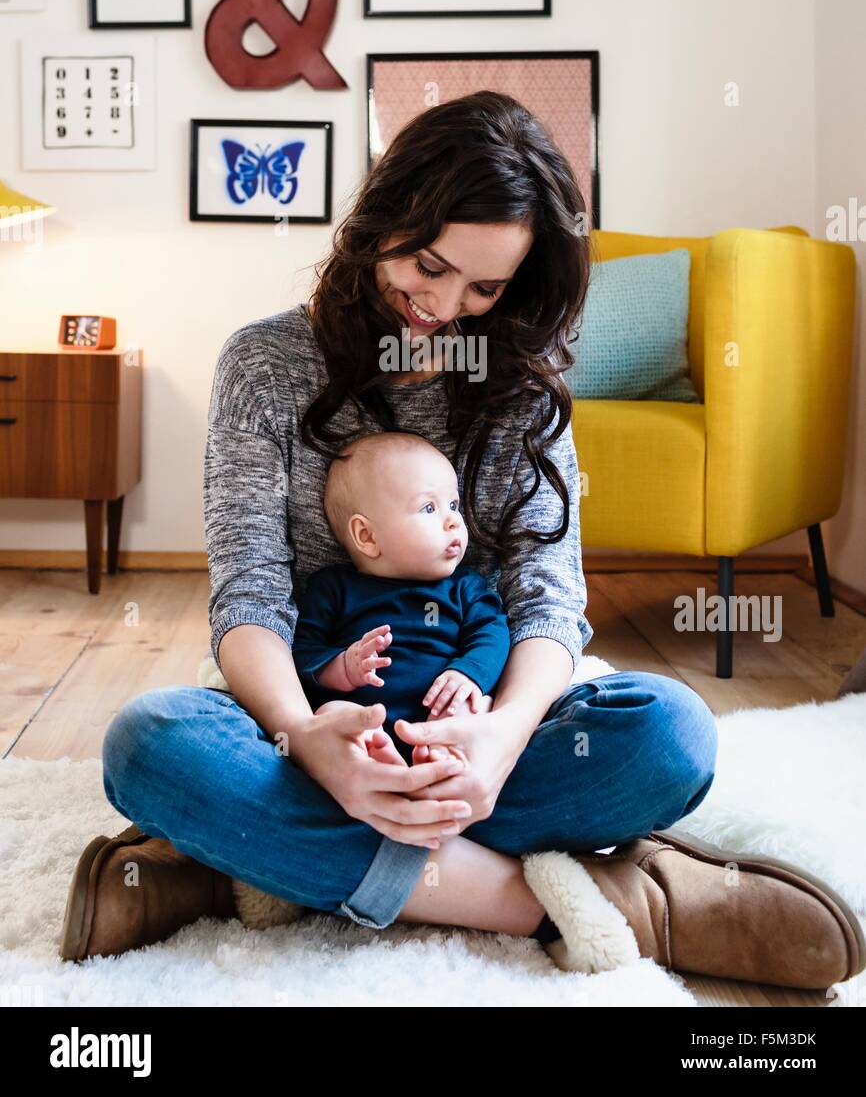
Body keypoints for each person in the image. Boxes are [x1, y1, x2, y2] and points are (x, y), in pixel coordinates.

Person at [60, 92, 864, 990]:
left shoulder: (521, 380)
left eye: (484, 288)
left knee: (671, 736)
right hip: (315, 720)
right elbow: (250, 594)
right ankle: (602, 905)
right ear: (382, 221)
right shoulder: (264, 365)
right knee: (150, 742)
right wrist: (303, 735)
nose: (442, 307)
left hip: (473, 727)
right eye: (428, 266)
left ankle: (237, 867)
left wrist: (504, 741)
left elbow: (547, 597)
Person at [292, 431, 511, 761]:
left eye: (453, 505)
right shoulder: (334, 588)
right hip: (364, 715)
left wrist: (469, 673)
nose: (453, 519)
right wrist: (342, 668)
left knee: (475, 707)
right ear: (367, 536)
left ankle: (439, 758)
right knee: (330, 713)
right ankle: (373, 758)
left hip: (440, 710)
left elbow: (493, 635)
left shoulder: (465, 586)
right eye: (428, 507)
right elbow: (301, 650)